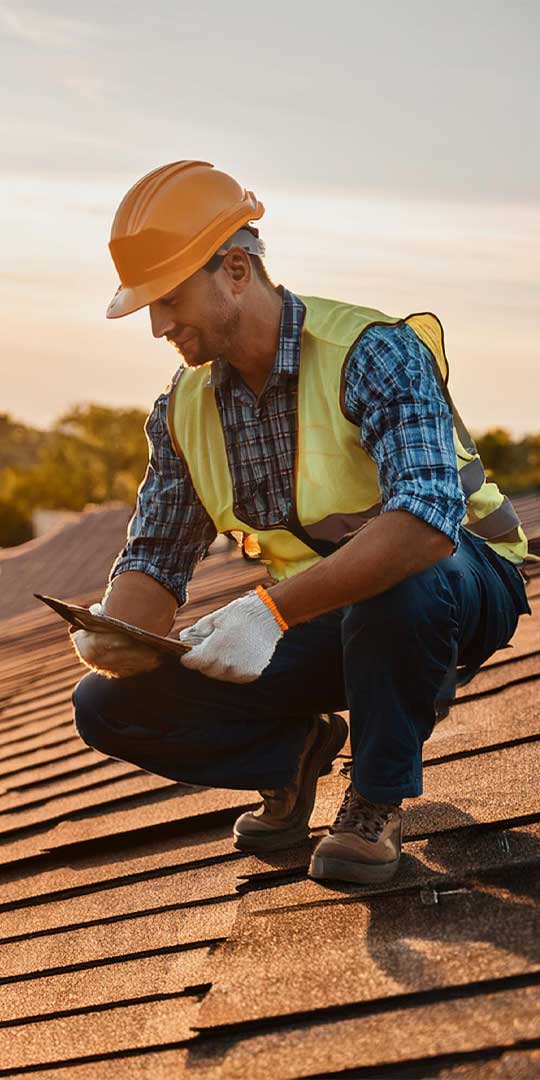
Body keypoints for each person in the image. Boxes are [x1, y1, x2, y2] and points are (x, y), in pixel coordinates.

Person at [71, 161, 532, 885]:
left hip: (459, 586)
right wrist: (112, 635)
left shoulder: (372, 350)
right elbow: (155, 560)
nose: (157, 325)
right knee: (106, 705)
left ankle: (375, 801)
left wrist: (268, 613)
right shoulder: (184, 410)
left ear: (233, 270)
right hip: (323, 617)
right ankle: (292, 755)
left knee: (400, 577)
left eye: (167, 299)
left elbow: (423, 523)